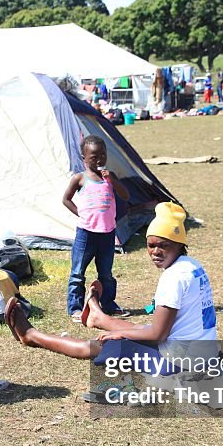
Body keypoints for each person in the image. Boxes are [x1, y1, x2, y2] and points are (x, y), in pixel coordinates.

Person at [4, 202, 218, 399]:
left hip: (179, 365)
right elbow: (162, 330)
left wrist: (119, 334)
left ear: (179, 245)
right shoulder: (192, 266)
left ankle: (32, 336)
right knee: (138, 329)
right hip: (204, 355)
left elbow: (157, 334)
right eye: (150, 245)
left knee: (106, 344)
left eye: (163, 245)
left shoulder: (173, 278)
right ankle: (98, 317)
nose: (155, 252)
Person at [63, 135, 131, 322]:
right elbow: (66, 199)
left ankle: (108, 304)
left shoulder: (110, 178)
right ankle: (75, 308)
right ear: (84, 158)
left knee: (106, 274)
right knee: (78, 272)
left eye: (103, 155)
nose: (99, 160)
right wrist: (81, 214)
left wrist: (113, 180)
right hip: (86, 234)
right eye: (94, 156)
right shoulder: (80, 179)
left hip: (107, 233)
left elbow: (125, 195)